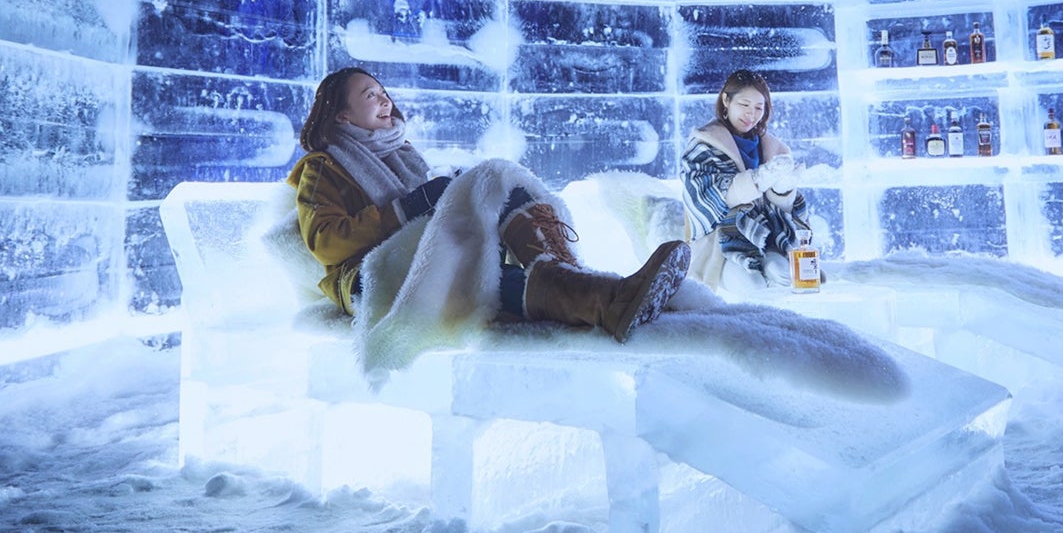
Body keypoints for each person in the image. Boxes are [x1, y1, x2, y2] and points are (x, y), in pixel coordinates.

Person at [288, 67, 689, 343]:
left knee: (499, 185)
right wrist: (410, 207)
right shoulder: (324, 167)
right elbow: (325, 243)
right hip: (365, 278)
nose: (384, 98)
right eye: (369, 94)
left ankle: (586, 285)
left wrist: (443, 198)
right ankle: (601, 296)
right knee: (471, 263)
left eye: (383, 91)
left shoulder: (403, 154)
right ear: (341, 114)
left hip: (411, 256)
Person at [681, 69, 810, 290]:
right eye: (744, 104)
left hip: (769, 238)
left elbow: (783, 210)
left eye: (759, 108)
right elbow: (710, 198)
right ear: (726, 100)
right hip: (721, 243)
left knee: (786, 277)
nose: (751, 114)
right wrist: (759, 179)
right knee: (753, 286)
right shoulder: (703, 145)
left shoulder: (774, 148)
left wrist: (783, 189)